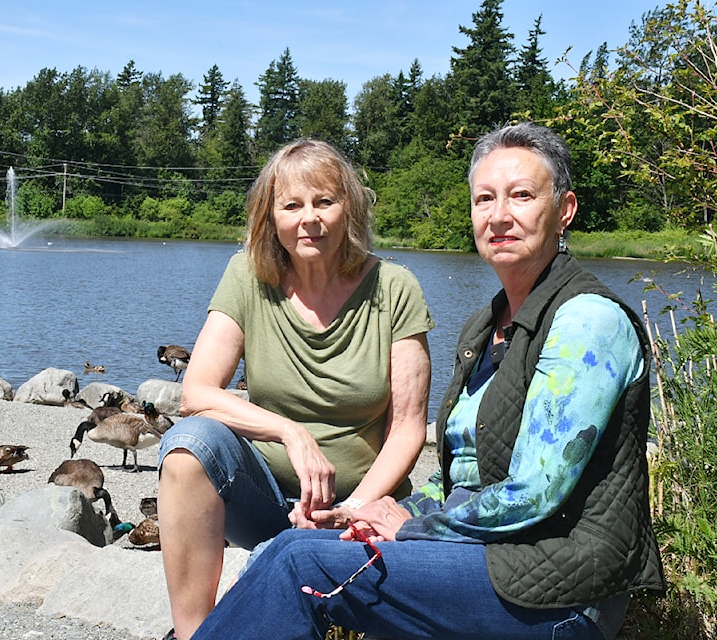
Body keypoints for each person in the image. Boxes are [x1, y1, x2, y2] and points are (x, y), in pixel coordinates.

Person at [187, 123, 666, 640]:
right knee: (301, 548)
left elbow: (535, 492)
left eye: (521, 196)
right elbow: (455, 477)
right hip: (486, 562)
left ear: (564, 210)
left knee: (299, 561)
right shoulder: (487, 326)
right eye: (484, 199)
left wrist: (412, 527)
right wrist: (374, 514)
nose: (499, 215)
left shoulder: (587, 322)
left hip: (560, 591)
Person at [157, 139, 436, 640]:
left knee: (278, 574)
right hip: (264, 496)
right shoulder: (247, 276)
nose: (310, 218)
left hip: (360, 504)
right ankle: (192, 633)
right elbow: (195, 392)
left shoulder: (396, 287)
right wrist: (291, 434)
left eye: (324, 201)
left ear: (347, 207)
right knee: (187, 447)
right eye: (292, 205)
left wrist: (352, 509)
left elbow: (409, 427)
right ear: (271, 217)